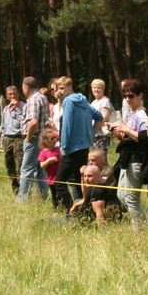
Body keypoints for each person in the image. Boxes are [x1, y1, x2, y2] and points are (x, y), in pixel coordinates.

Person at [108, 79, 148, 229]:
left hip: (138, 160)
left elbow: (144, 140)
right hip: (126, 158)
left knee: (130, 197)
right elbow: (124, 138)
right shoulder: (130, 114)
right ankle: (139, 225)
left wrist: (125, 129)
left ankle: (141, 229)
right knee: (121, 195)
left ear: (140, 95)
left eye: (131, 96)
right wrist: (115, 130)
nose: (128, 99)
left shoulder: (142, 115)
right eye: (125, 96)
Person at [52, 77, 103, 212]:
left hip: (72, 149)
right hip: (84, 148)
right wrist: (91, 135)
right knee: (78, 181)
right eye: (57, 89)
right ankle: (83, 209)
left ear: (70, 87)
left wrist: (65, 147)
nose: (60, 92)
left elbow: (67, 126)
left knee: (59, 182)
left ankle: (70, 210)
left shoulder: (68, 101)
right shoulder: (84, 100)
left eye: (62, 88)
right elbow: (99, 117)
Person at [19, 77, 50, 202]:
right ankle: (43, 197)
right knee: (39, 169)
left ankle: (22, 199)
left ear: (26, 88)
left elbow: (34, 121)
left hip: (34, 138)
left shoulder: (33, 99)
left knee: (26, 169)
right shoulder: (42, 97)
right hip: (43, 138)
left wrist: (28, 137)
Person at [0, 86, 25, 195]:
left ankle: (23, 191)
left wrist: (17, 109)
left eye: (14, 93)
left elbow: (25, 122)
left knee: (20, 165)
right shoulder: (6, 109)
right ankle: (15, 190)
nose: (13, 96)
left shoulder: (24, 107)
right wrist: (3, 139)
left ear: (19, 94)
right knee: (9, 165)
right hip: (8, 139)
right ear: (7, 96)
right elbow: (3, 125)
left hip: (19, 139)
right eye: (10, 94)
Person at [90, 79, 113, 152]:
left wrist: (94, 130)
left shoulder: (105, 101)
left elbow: (104, 118)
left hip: (102, 135)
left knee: (100, 158)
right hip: (95, 134)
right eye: (94, 87)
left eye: (99, 87)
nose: (96, 89)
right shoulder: (93, 102)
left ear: (103, 89)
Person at [39, 129, 61, 196]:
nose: (54, 140)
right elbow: (42, 165)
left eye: (55, 138)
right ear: (45, 141)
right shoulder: (43, 152)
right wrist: (49, 160)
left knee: (61, 193)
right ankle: (56, 206)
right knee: (54, 194)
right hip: (51, 177)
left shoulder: (58, 149)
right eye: (52, 139)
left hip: (60, 176)